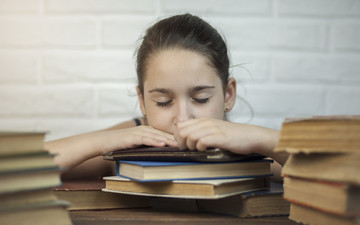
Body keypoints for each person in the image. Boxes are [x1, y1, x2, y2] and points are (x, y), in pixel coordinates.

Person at [44, 13, 288, 181]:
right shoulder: (133, 139)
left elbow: (322, 176)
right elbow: (14, 171)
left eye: (201, 98)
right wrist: (101, 142)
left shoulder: (249, 149)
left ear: (228, 94)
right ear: (142, 101)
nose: (183, 118)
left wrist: (265, 139)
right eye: (163, 102)